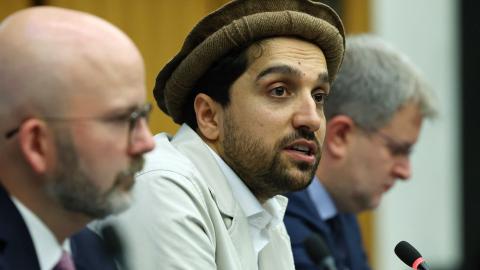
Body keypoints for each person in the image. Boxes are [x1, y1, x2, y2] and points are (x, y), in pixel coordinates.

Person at [108, 0, 345, 269]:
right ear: (209, 116)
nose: (312, 118)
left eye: (319, 96)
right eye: (279, 91)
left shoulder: (266, 212)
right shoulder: (162, 187)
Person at [0, 6, 155, 270]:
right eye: (121, 119)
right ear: (37, 144)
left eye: (143, 115)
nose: (147, 142)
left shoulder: (92, 249)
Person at [284, 34, 438, 270]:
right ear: (341, 136)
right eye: (398, 150)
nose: (406, 172)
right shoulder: (281, 218)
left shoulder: (342, 211)